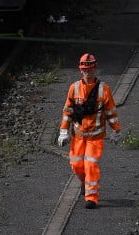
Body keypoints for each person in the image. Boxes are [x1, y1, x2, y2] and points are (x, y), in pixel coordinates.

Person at [57, 52, 121, 209]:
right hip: (78, 136)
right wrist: (63, 131)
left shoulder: (104, 90)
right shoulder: (74, 88)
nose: (87, 72)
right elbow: (68, 110)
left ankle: (92, 197)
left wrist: (116, 131)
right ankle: (85, 184)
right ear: (80, 70)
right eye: (84, 69)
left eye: (90, 69)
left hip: (95, 137)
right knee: (76, 164)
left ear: (95, 68)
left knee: (91, 163)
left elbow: (111, 112)